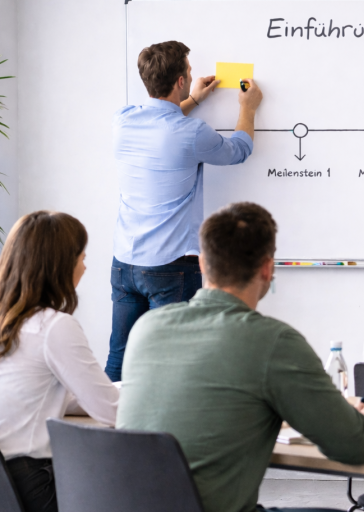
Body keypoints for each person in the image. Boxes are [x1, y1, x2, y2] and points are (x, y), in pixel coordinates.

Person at [117, 202, 364, 512]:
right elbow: (355, 447)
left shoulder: (146, 327)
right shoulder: (274, 342)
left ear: (202, 263)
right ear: (267, 268)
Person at [107, 40, 264, 381]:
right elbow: (238, 150)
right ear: (180, 80)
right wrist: (247, 107)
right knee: (172, 363)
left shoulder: (123, 120)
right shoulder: (191, 132)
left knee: (120, 358)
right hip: (171, 267)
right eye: (189, 72)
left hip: (124, 263)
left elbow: (162, 126)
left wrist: (193, 100)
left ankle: (110, 418)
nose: (192, 75)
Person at [0, 211, 119, 512]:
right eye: (81, 257)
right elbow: (110, 410)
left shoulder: (9, 321)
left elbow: (35, 395)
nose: (85, 267)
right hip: (28, 483)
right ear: (60, 266)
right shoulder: (53, 326)